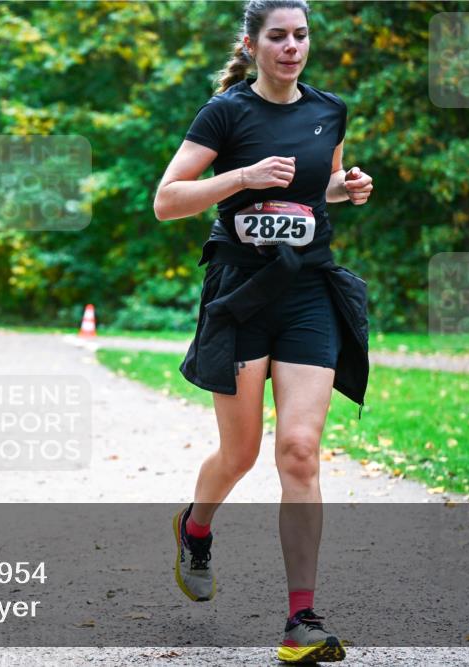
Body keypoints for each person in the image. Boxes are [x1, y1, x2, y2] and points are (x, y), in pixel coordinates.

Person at [152, 1, 373, 663]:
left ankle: (300, 619)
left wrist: (345, 186)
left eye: (301, 35)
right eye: (277, 36)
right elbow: (167, 199)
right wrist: (242, 177)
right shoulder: (226, 112)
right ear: (251, 44)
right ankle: (195, 526)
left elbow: (313, 189)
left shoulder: (328, 110)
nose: (291, 47)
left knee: (300, 450)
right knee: (241, 452)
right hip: (242, 295)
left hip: (308, 288)